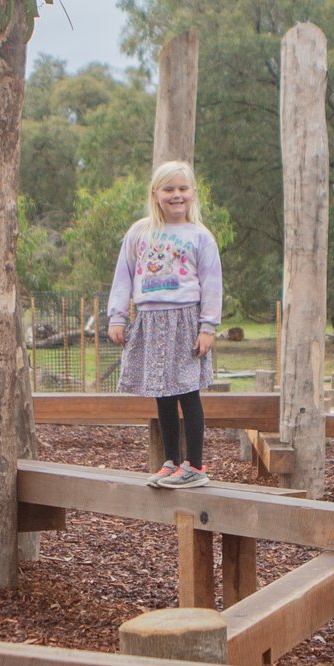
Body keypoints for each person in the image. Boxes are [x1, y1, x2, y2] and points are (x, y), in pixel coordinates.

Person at [107, 161, 222, 488]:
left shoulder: (200, 236)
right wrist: (118, 316)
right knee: (162, 393)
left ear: (192, 194)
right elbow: (123, 277)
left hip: (185, 319)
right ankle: (171, 461)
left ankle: (195, 466)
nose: (176, 195)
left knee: (188, 391)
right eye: (169, 189)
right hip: (149, 320)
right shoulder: (140, 232)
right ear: (155, 194)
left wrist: (208, 327)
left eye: (182, 189)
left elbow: (212, 283)